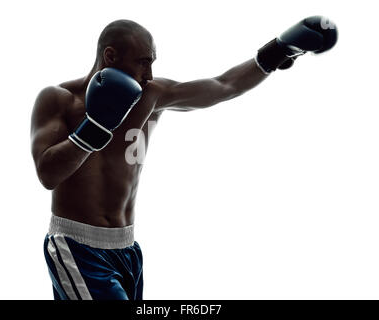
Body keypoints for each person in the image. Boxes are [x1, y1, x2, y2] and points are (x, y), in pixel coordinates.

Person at [30, 17, 338, 300]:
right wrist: (95, 127)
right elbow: (48, 174)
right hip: (76, 246)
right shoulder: (58, 99)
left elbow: (223, 85)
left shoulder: (151, 95)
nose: (149, 74)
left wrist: (278, 51)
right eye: (142, 63)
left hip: (127, 249)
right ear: (111, 57)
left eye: (152, 63)